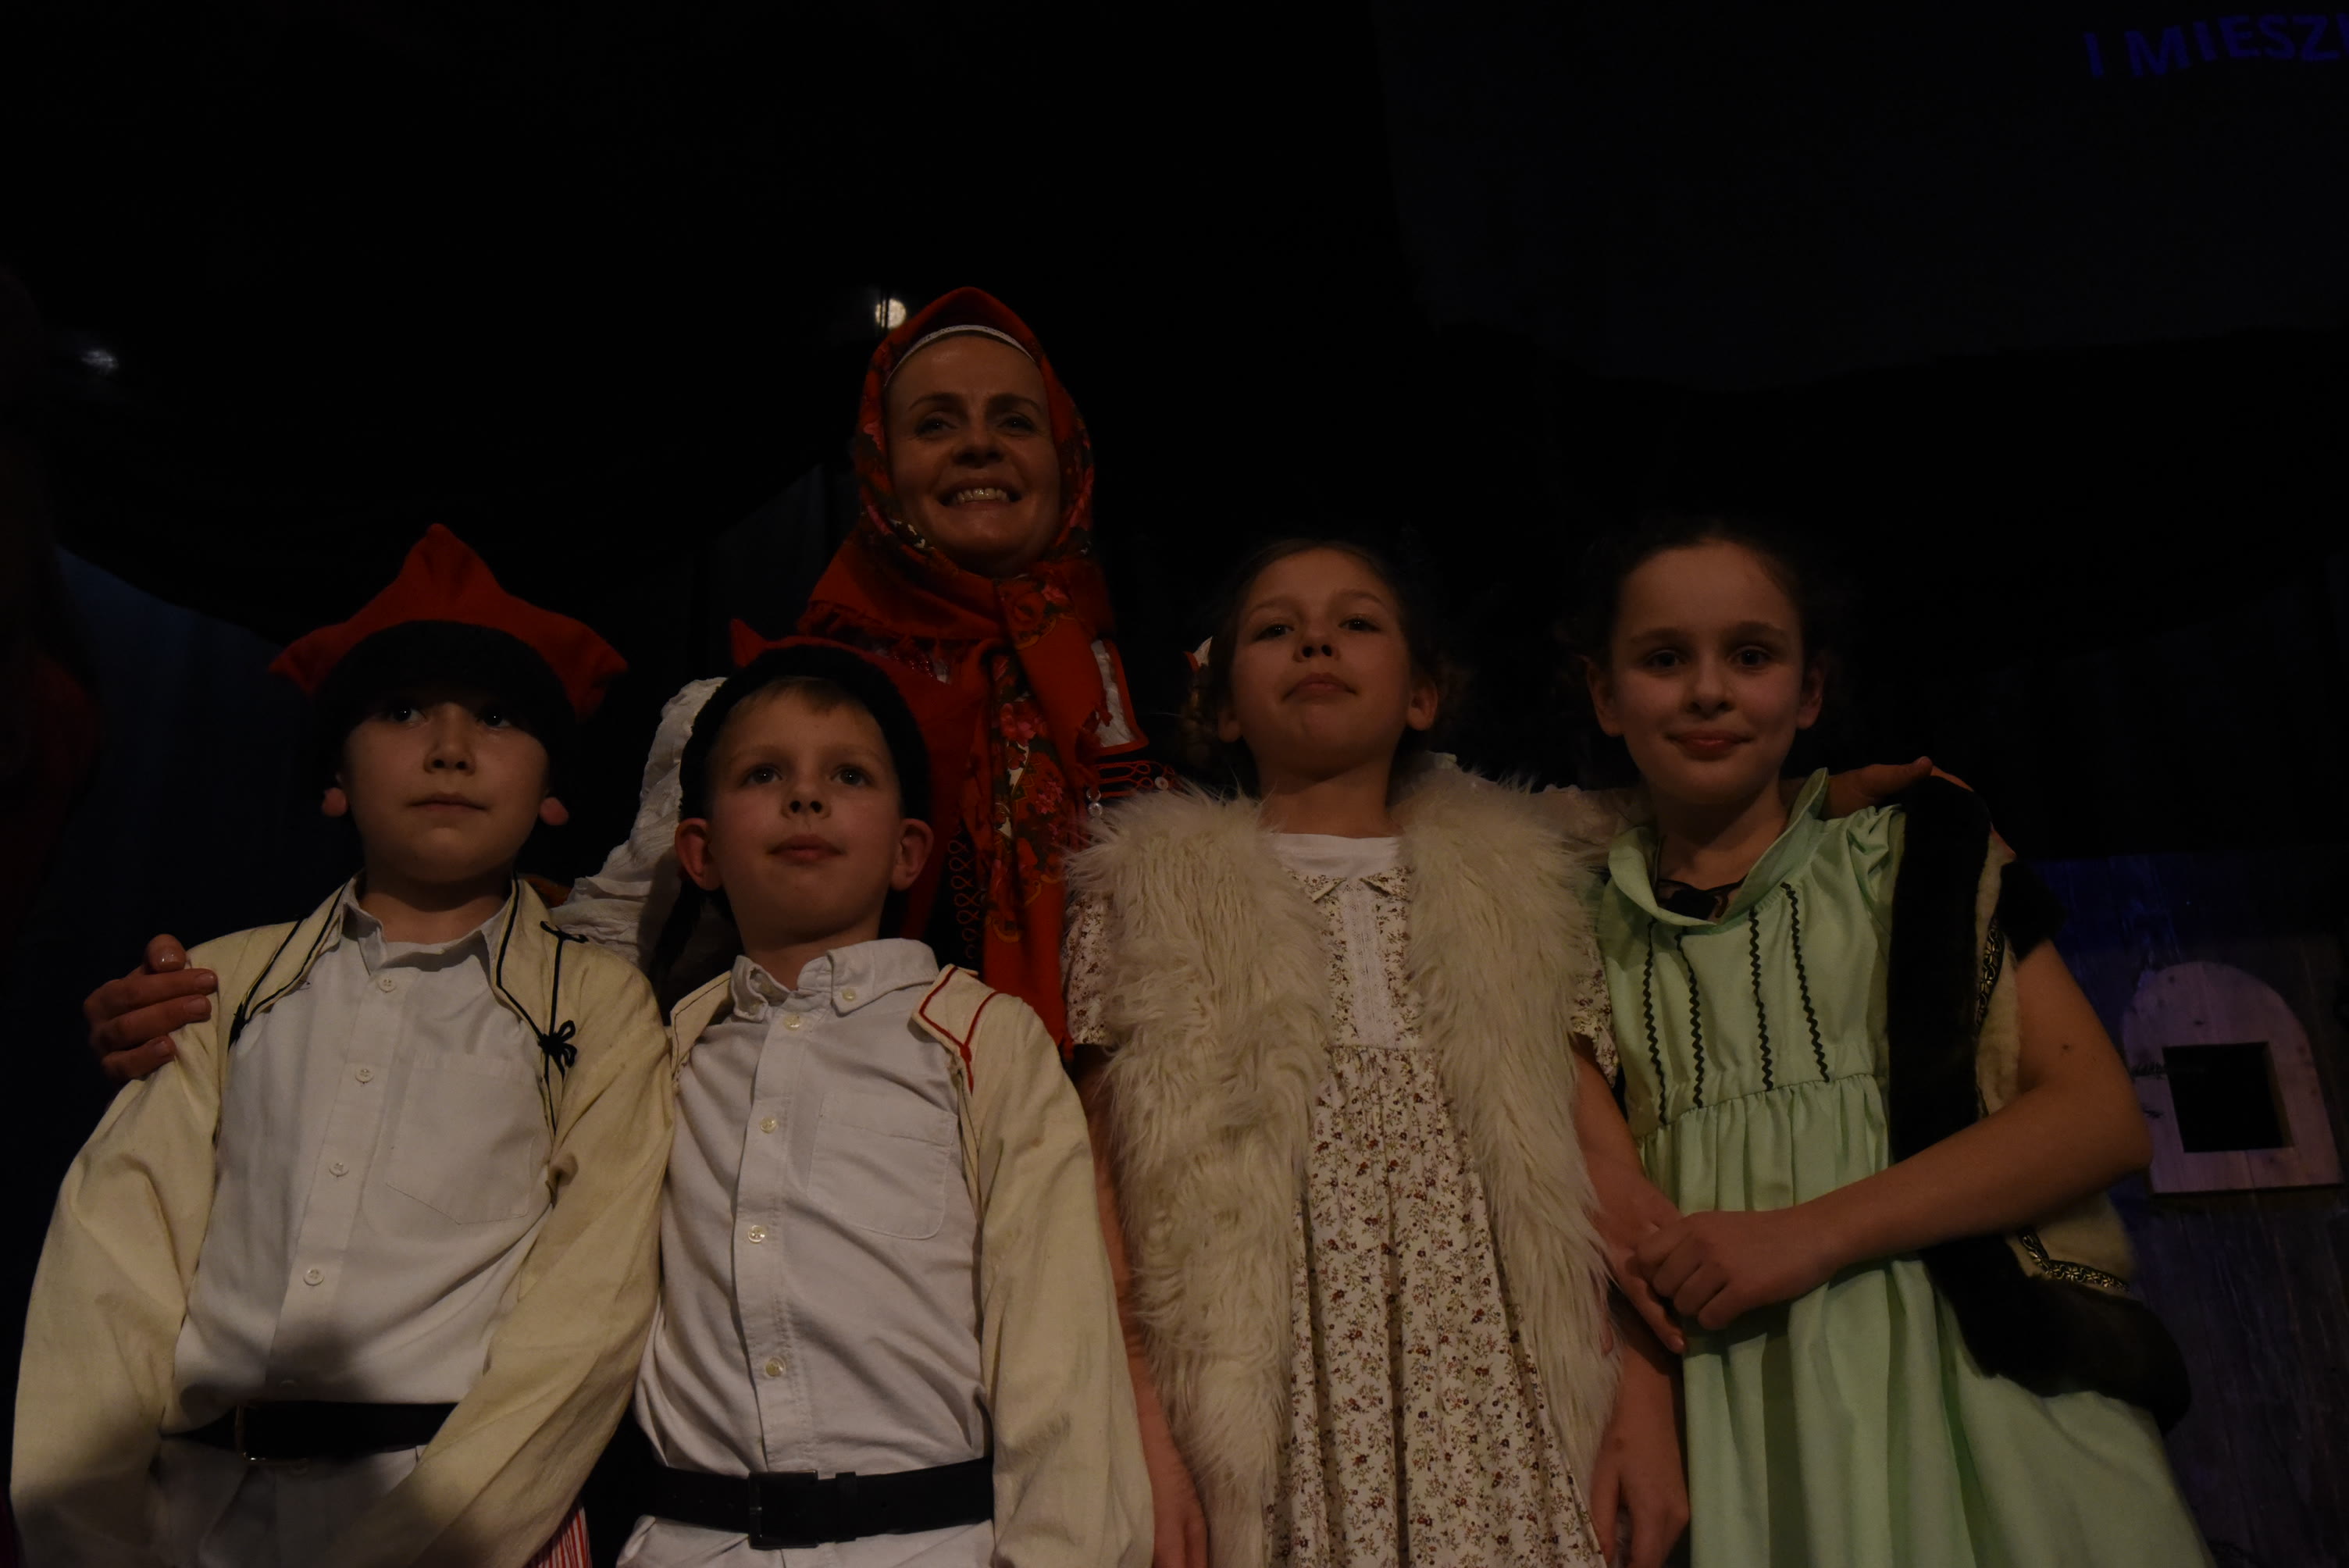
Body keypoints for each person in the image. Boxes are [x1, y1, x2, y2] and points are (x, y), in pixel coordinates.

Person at [13, 526, 674, 1567]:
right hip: (200, 1520)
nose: (449, 747)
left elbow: (587, 1314)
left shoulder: (596, 1005)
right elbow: (112, 1266)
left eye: (497, 717)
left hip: (461, 1524)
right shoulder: (224, 982)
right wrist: (86, 1536)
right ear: (334, 778)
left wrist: (425, 1539)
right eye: (402, 711)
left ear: (554, 789)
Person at [1577, 515, 2209, 1566]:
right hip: (1743, 1410)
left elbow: (2098, 1117)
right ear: (1604, 694)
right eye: (1662, 659)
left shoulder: (1912, 860)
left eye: (1751, 655)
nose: (1708, 690)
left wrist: (1807, 1233)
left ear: (1810, 689)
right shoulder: (1566, 927)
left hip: (1971, 1375)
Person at [1062, 538, 1688, 1568]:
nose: (1316, 641)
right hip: (1274, 1394)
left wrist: (1645, 1410)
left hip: (1496, 1388)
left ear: (1422, 696)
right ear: (1223, 707)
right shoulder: (1152, 893)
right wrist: (1146, 1435)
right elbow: (1105, 1180)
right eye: (1275, 628)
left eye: (1356, 622)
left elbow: (1603, 1182)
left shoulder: (1509, 888)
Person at [621, 641, 1148, 1566]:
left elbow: (1054, 1329)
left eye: (848, 775)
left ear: (908, 851)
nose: (805, 797)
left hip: (927, 1544)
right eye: (763, 774)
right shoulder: (665, 1055)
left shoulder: (978, 1038)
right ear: (698, 852)